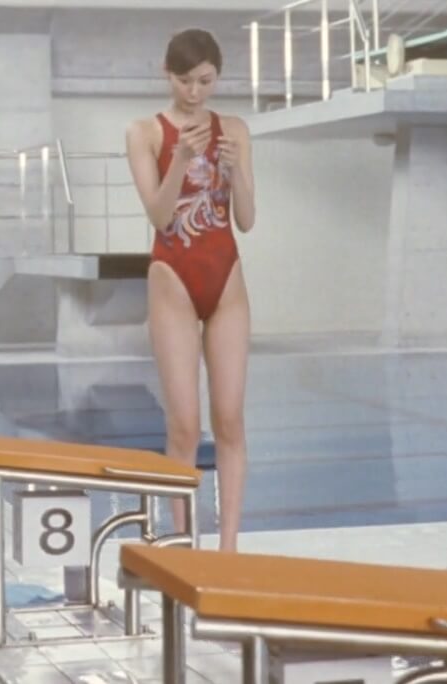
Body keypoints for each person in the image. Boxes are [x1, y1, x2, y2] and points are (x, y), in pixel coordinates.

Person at [125, 28, 255, 552]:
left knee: (230, 420)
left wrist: (233, 171)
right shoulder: (144, 132)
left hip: (226, 279)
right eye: (185, 81)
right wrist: (180, 158)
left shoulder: (235, 130)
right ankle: (182, 545)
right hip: (173, 278)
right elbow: (159, 216)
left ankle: (228, 550)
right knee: (184, 426)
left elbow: (247, 219)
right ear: (167, 74)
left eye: (205, 81)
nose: (195, 92)